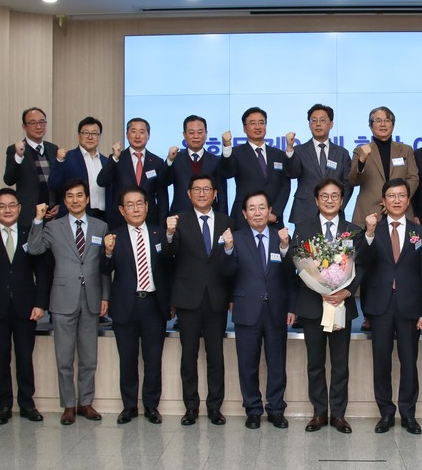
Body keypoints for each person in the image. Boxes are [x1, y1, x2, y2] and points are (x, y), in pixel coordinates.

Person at [27, 179, 110, 425]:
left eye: (80, 196)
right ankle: (68, 405)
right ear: (65, 201)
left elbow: (106, 266)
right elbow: (34, 249)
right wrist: (38, 220)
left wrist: (106, 295)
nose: (75, 200)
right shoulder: (53, 227)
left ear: (87, 199)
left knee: (89, 357)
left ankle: (85, 403)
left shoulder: (101, 226)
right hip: (63, 298)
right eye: (70, 196)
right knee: (64, 358)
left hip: (92, 298)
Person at [0, 188, 50, 425]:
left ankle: (27, 404)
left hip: (27, 308)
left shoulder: (30, 234)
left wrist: (40, 303)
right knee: (0, 358)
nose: (7, 210)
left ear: (19, 208)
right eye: (1, 206)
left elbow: (42, 273)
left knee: (25, 357)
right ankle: (3, 406)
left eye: (11, 205)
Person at [290, 178, 364, 434]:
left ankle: (339, 415)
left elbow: (362, 267)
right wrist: (319, 287)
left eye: (335, 196)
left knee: (341, 364)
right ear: (316, 200)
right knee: (315, 363)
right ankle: (319, 413)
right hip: (313, 305)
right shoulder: (303, 228)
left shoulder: (354, 230)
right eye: (325, 196)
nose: (330, 200)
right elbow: (298, 263)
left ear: (342, 200)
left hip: (342, 306)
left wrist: (346, 291)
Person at [360, 178, 422, 435]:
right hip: (380, 307)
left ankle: (408, 414)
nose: (397, 200)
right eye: (391, 196)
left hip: (410, 307)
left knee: (409, 362)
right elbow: (363, 262)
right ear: (383, 201)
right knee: (381, 362)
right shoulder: (372, 230)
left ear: (408, 200)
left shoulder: (420, 233)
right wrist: (368, 234)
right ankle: (386, 413)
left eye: (402, 195)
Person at [223, 192, 296, 430]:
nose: (257, 212)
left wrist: (286, 248)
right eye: (251, 208)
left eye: (261, 207)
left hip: (276, 309)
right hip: (247, 309)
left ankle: (276, 409)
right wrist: (227, 249)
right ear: (244, 214)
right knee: (248, 363)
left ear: (270, 211)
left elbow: (291, 275)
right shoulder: (236, 238)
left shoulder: (282, 237)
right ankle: (253, 409)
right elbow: (226, 272)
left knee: (277, 364)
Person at [165, 174, 232, 426]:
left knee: (215, 356)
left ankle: (215, 408)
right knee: (189, 356)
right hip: (188, 299)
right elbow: (169, 257)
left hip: (216, 298)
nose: (202, 193)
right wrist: (169, 235)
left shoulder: (227, 221)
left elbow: (232, 262)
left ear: (215, 193)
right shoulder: (179, 221)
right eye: (197, 189)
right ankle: (191, 407)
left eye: (207, 189)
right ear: (188, 194)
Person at [102, 186, 171, 425]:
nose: (135, 208)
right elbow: (104, 270)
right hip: (126, 307)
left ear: (147, 206)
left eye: (139, 203)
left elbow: (169, 271)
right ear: (122, 210)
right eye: (129, 205)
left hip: (153, 306)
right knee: (128, 361)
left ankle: (151, 406)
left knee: (153, 360)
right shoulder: (114, 236)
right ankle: (129, 407)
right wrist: (108, 253)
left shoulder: (159, 234)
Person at [221, 107, 291, 229]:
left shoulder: (278, 154)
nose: (257, 127)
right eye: (252, 123)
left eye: (261, 122)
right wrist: (227, 147)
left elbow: (285, 186)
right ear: (244, 128)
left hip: (272, 220)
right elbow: (227, 172)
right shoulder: (236, 153)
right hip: (244, 220)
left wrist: (275, 213)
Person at [349, 106, 420, 227]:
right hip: (369, 212)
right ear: (371, 126)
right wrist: (362, 161)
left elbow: (413, 178)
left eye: (387, 120)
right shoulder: (360, 150)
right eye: (378, 120)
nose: (383, 124)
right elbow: (354, 181)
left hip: (400, 210)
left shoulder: (406, 150)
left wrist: (397, 200)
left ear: (393, 124)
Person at [284, 104, 353, 225]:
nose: (318, 124)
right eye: (314, 120)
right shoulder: (299, 151)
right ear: (309, 124)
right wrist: (290, 149)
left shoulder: (342, 153)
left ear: (331, 124)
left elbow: (348, 184)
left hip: (334, 211)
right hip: (305, 211)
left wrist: (339, 205)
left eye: (322, 120)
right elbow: (292, 173)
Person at [98, 117, 169, 228]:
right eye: (133, 131)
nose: (137, 136)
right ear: (127, 134)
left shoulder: (157, 162)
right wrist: (114, 158)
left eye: (142, 132)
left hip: (149, 221)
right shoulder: (117, 159)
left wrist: (162, 224)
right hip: (120, 221)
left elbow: (162, 198)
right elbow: (101, 181)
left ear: (148, 136)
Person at [3, 107, 60, 224]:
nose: (38, 127)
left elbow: (60, 180)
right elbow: (9, 180)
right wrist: (19, 156)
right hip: (29, 215)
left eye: (42, 122)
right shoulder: (15, 150)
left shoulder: (53, 149)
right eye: (33, 123)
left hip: (52, 215)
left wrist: (60, 204)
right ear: (24, 126)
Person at [49, 116, 112, 221]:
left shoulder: (106, 162)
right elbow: (53, 185)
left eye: (94, 134)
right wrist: (59, 161)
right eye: (86, 133)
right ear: (79, 135)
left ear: (99, 136)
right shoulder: (67, 158)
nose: (90, 137)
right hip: (74, 216)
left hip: (102, 218)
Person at [161, 115, 227, 214]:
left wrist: (223, 219)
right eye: (191, 132)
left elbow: (222, 195)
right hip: (180, 216)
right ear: (184, 134)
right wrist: (169, 160)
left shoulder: (216, 161)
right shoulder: (175, 159)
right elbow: (163, 181)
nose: (196, 136)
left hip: (209, 217)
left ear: (206, 133)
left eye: (200, 132)